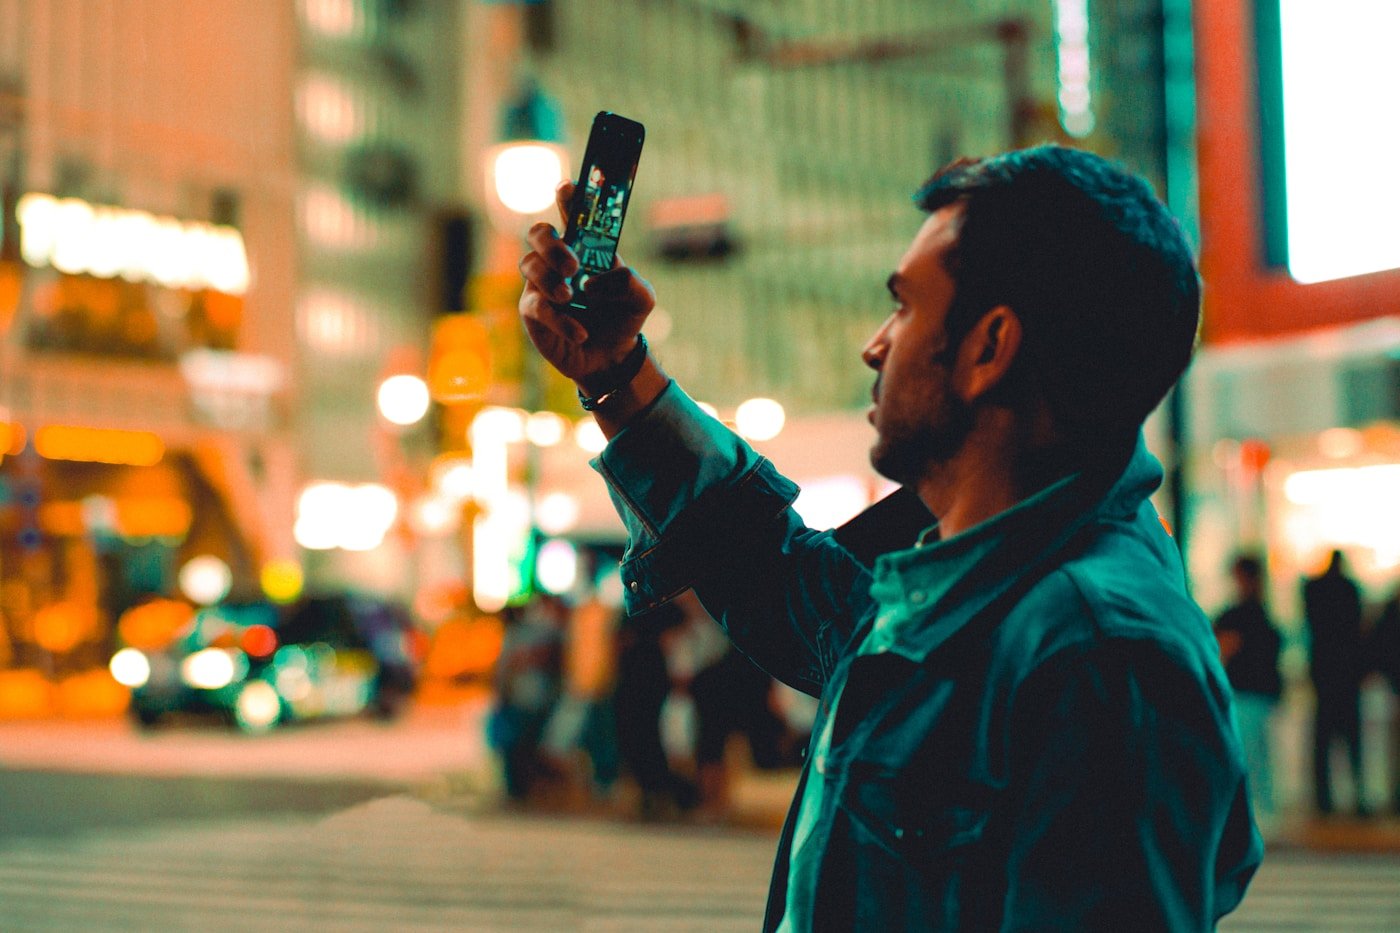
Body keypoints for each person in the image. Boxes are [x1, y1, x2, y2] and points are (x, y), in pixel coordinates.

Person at [519, 145, 1261, 929]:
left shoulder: (1102, 660)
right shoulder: (962, 572)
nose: (876, 344)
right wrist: (618, 373)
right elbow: (784, 581)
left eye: (904, 306)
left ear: (988, 348)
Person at [1213, 553, 1283, 824]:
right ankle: (1261, 810)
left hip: (1245, 692)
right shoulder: (1259, 614)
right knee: (1257, 754)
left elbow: (1222, 647)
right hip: (1255, 693)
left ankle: (1255, 812)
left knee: (1248, 754)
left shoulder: (1240, 615)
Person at [1303, 548, 1368, 816]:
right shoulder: (1349, 591)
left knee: (1324, 741)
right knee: (1352, 742)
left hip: (1326, 674)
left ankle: (1323, 799)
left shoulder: (1314, 590)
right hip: (1347, 676)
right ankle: (1357, 797)